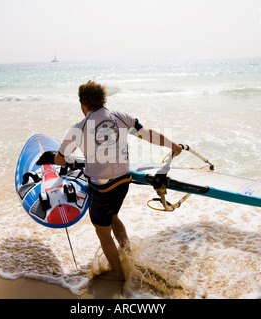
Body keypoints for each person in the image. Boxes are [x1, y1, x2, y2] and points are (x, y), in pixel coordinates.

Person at [43, 80, 183, 281]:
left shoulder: (78, 128)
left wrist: (67, 156)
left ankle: (121, 276)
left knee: (103, 232)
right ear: (103, 99)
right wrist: (173, 145)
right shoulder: (122, 117)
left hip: (102, 188)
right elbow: (148, 134)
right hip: (124, 181)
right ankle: (129, 256)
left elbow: (59, 159)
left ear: (82, 103)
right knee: (114, 216)